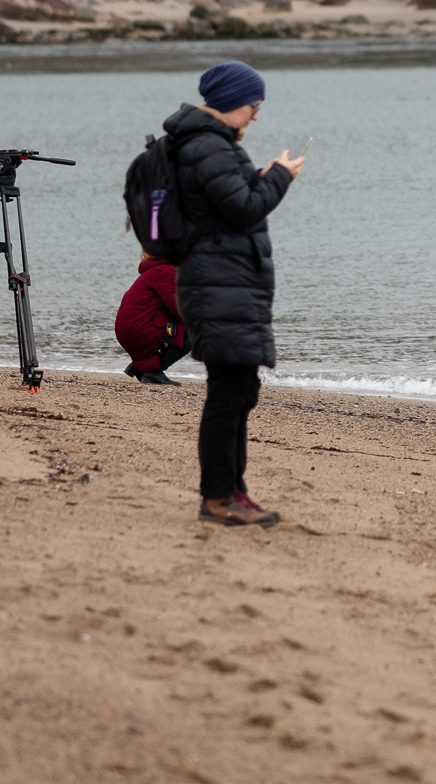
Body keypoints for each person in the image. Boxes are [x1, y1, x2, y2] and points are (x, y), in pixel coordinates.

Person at [166, 59, 302, 527]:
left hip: (221, 284)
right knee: (229, 394)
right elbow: (245, 209)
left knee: (240, 390)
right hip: (218, 286)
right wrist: (281, 176)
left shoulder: (206, 145)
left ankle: (233, 491)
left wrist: (262, 176)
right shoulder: (209, 146)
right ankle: (219, 497)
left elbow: (226, 205)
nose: (257, 114)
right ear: (231, 102)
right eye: (254, 104)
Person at [116, 252, 188, 385]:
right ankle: (151, 372)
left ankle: (142, 367)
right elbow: (178, 309)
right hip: (139, 329)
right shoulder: (165, 271)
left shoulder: (155, 270)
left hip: (129, 329)